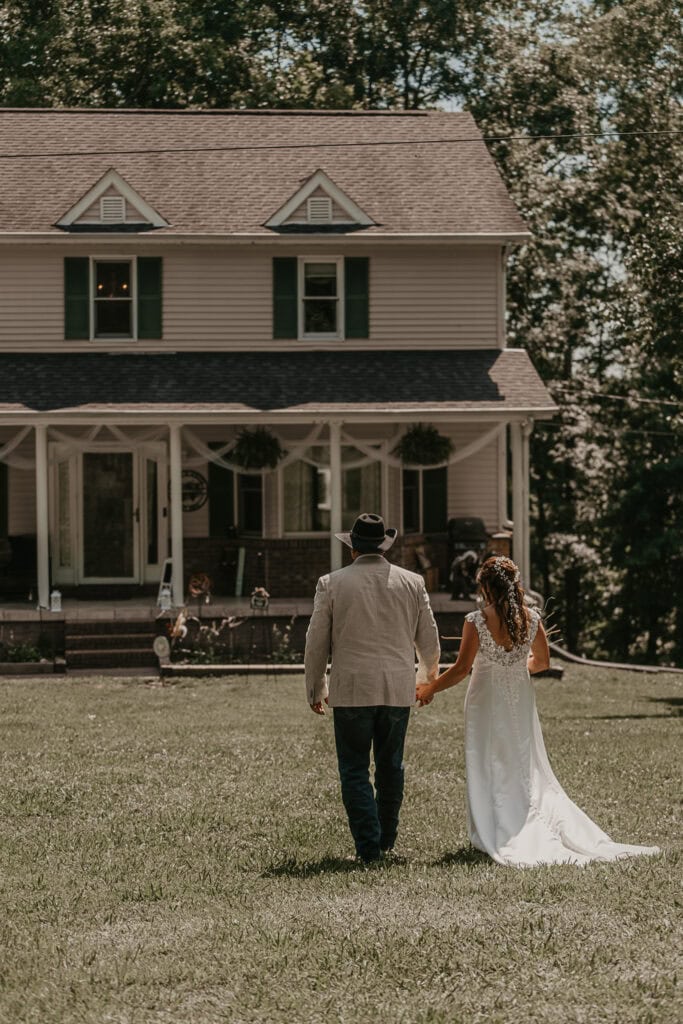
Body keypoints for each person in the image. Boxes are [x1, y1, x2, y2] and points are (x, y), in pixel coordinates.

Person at [416, 555, 660, 867]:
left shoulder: (476, 621)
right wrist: (515, 670)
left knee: (488, 755)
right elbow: (542, 663)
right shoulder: (531, 618)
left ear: (486, 588)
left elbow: (463, 668)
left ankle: (494, 824)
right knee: (520, 756)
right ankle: (520, 814)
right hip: (519, 695)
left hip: (485, 697)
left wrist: (429, 687)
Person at [305, 513, 440, 863]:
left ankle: (368, 847)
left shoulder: (331, 583)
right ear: (384, 546)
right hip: (398, 687)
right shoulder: (412, 582)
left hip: (351, 688)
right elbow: (429, 641)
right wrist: (426, 681)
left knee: (353, 768)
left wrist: (315, 686)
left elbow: (316, 642)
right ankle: (385, 842)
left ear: (352, 549)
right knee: (391, 766)